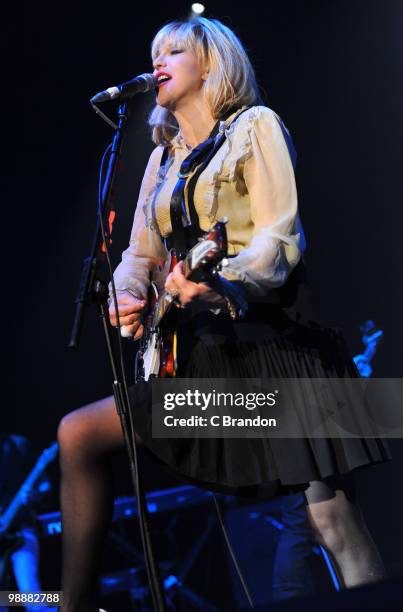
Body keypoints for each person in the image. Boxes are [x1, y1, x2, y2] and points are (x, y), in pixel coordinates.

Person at [57, 17, 391, 612]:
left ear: (211, 64)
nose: (158, 61)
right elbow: (140, 251)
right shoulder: (162, 158)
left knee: (331, 520)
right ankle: (68, 605)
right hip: (206, 366)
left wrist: (225, 285)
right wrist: (128, 296)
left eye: (175, 50)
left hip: (278, 354)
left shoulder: (254, 128)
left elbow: (278, 237)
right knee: (77, 434)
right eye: (153, 52)